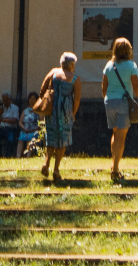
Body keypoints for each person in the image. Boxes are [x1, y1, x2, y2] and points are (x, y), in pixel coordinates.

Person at [102, 36, 138, 182]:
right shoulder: (131, 66)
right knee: (121, 136)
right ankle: (115, 170)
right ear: (128, 50)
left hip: (109, 102)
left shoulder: (109, 66)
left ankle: (114, 165)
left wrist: (106, 99)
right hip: (123, 102)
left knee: (115, 133)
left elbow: (103, 86)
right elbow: (136, 86)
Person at [35, 52, 81, 182]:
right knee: (63, 139)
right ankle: (56, 170)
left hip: (52, 109)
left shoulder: (53, 73)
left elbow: (42, 89)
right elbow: (77, 99)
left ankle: (46, 163)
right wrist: (73, 112)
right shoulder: (75, 79)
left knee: (51, 137)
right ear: (72, 65)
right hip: (66, 111)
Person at [0, 92, 22, 156]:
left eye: (7, 100)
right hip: (0, 129)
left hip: (10, 129)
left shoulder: (15, 108)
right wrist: (0, 115)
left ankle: (8, 156)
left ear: (10, 99)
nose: (5, 102)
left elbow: (14, 120)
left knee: (10, 140)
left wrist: (3, 119)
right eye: (4, 100)